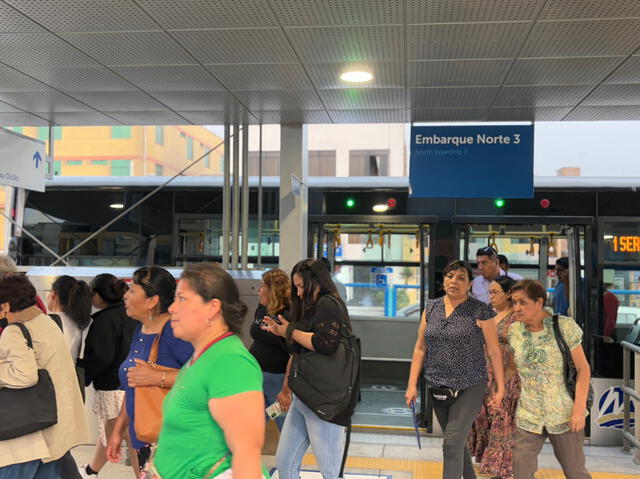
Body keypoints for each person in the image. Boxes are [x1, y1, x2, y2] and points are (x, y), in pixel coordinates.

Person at [147, 263, 267, 478]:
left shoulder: (230, 362)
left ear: (212, 307)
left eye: (182, 298)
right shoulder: (202, 357)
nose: (172, 308)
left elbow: (247, 454)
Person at [405, 260, 505, 479]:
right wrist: (412, 385)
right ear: (444, 281)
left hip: (470, 385)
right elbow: (420, 348)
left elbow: (494, 351)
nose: (454, 281)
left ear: (469, 284)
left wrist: (500, 387)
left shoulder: (481, 311)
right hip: (437, 385)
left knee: (451, 443)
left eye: (461, 277)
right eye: (450, 276)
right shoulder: (431, 308)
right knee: (457, 444)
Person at [264, 258, 354, 479]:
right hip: (303, 394)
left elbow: (327, 343)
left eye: (302, 286)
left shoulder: (328, 303)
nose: (298, 292)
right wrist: (281, 332)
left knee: (330, 471)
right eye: (296, 287)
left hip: (323, 399)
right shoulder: (308, 307)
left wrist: (290, 331)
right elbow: (298, 348)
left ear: (317, 282)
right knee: (285, 463)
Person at [0, 273, 89, 478]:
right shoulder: (46, 322)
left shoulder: (14, 331)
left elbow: (25, 376)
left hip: (32, 427)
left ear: (6, 305)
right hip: (55, 420)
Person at [106, 266, 193, 475]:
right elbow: (134, 386)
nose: (125, 296)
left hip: (171, 438)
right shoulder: (141, 330)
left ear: (152, 301)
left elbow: (202, 375)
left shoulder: (173, 332)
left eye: (132, 291)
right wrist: (119, 430)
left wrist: (158, 377)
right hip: (142, 435)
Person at [508, 280, 591, 479]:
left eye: (523, 302)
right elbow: (512, 366)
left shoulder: (564, 326)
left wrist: (579, 410)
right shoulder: (515, 331)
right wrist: (496, 389)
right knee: (520, 471)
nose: (517, 308)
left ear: (539, 302)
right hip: (529, 413)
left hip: (564, 413)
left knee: (575, 472)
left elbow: (583, 369)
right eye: (513, 302)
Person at [76, 274, 137, 478]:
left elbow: (101, 356)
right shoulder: (129, 314)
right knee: (110, 433)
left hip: (111, 387)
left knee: (129, 437)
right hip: (129, 383)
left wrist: (84, 374)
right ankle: (92, 470)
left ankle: (143, 475)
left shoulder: (104, 320)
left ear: (98, 296)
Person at [468, 275, 520, 479]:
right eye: (489, 292)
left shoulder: (516, 318)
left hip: (506, 377)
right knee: (483, 418)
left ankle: (503, 468)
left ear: (509, 294)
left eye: (495, 292)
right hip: (482, 375)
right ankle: (491, 464)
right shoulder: (487, 314)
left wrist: (501, 384)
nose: (491, 296)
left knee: (501, 419)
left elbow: (515, 356)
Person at [249, 268, 291, 430]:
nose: (258, 290)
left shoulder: (287, 314)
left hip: (277, 379)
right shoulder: (263, 308)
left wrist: (286, 389)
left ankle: (291, 454)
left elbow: (294, 353)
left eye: (262, 285)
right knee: (252, 424)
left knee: (284, 423)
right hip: (256, 375)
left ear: (272, 290)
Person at [47, 275, 92, 362]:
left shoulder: (48, 321)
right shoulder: (80, 322)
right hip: (71, 373)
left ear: (54, 294)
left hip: (52, 373)